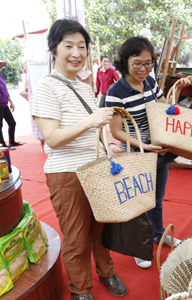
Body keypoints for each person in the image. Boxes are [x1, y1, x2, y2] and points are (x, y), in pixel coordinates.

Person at [30, 19, 127, 300]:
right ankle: (80, 289)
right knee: (75, 237)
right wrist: (91, 121)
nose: (76, 53)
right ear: (53, 50)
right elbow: (52, 138)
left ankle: (107, 273)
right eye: (68, 46)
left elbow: (96, 128)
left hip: (96, 169)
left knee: (101, 230)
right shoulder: (46, 87)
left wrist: (108, 145)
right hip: (66, 174)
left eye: (81, 46)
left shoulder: (84, 86)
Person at [106, 36, 192, 269]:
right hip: (136, 154)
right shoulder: (116, 92)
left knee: (156, 199)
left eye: (148, 63)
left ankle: (157, 234)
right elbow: (116, 131)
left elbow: (166, 110)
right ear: (125, 61)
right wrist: (143, 146)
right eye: (137, 64)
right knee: (139, 202)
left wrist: (178, 91)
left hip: (159, 149)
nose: (143, 69)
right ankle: (138, 245)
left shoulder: (151, 82)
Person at [0, 61, 22, 150]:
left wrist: (11, 102)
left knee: (12, 123)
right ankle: (3, 145)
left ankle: (12, 142)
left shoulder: (1, 76)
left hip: (4, 104)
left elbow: (5, 90)